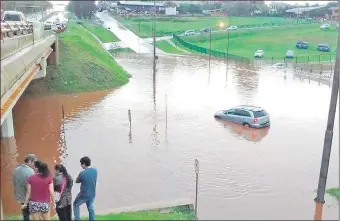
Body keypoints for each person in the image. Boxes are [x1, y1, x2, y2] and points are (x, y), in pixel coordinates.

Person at [13, 154, 37, 221]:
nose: (34, 164)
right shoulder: (31, 171)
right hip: (30, 197)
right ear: (29, 161)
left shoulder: (16, 170)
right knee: (35, 215)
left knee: (25, 214)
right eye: (34, 162)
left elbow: (14, 183)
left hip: (21, 197)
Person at [73, 156, 98, 221]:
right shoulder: (95, 170)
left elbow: (76, 181)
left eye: (81, 164)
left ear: (84, 164)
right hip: (92, 193)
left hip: (84, 194)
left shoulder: (82, 173)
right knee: (90, 207)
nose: (81, 165)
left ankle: (77, 219)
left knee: (75, 204)